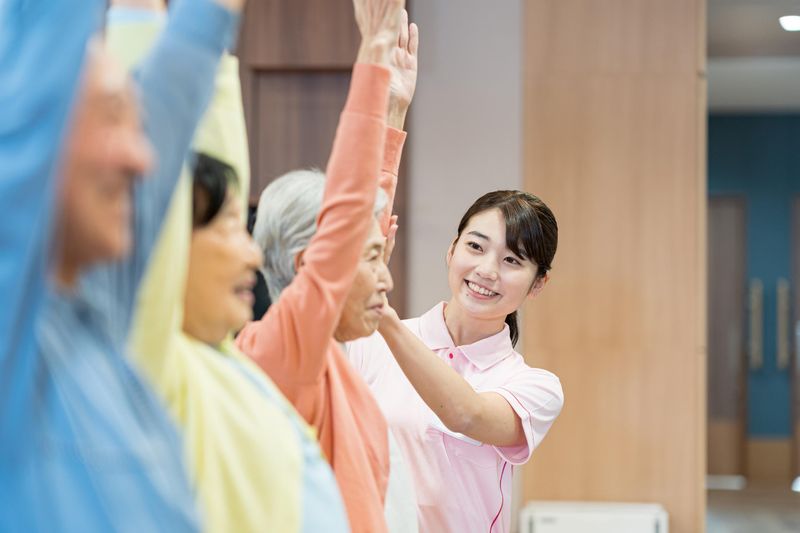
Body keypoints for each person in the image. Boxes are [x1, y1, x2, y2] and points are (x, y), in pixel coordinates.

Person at [0, 0, 245, 528]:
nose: (140, 159)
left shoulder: (95, 315)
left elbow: (180, 81)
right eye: (112, 117)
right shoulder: (13, 336)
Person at [104, 4, 349, 530]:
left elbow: (220, 164)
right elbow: (155, 182)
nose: (253, 254)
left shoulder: (223, 360)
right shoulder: (151, 366)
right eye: (229, 230)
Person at [235, 2, 414, 531]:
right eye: (372, 260)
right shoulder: (278, 352)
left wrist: (393, 112)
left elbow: (363, 220)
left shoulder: (333, 350)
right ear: (309, 264)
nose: (387, 278)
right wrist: (373, 53)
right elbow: (347, 224)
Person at [347, 190, 565, 533]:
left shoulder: (535, 387)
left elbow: (467, 414)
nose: (487, 270)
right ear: (452, 250)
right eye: (475, 246)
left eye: (512, 260)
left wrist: (383, 317)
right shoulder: (368, 343)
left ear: (538, 283)